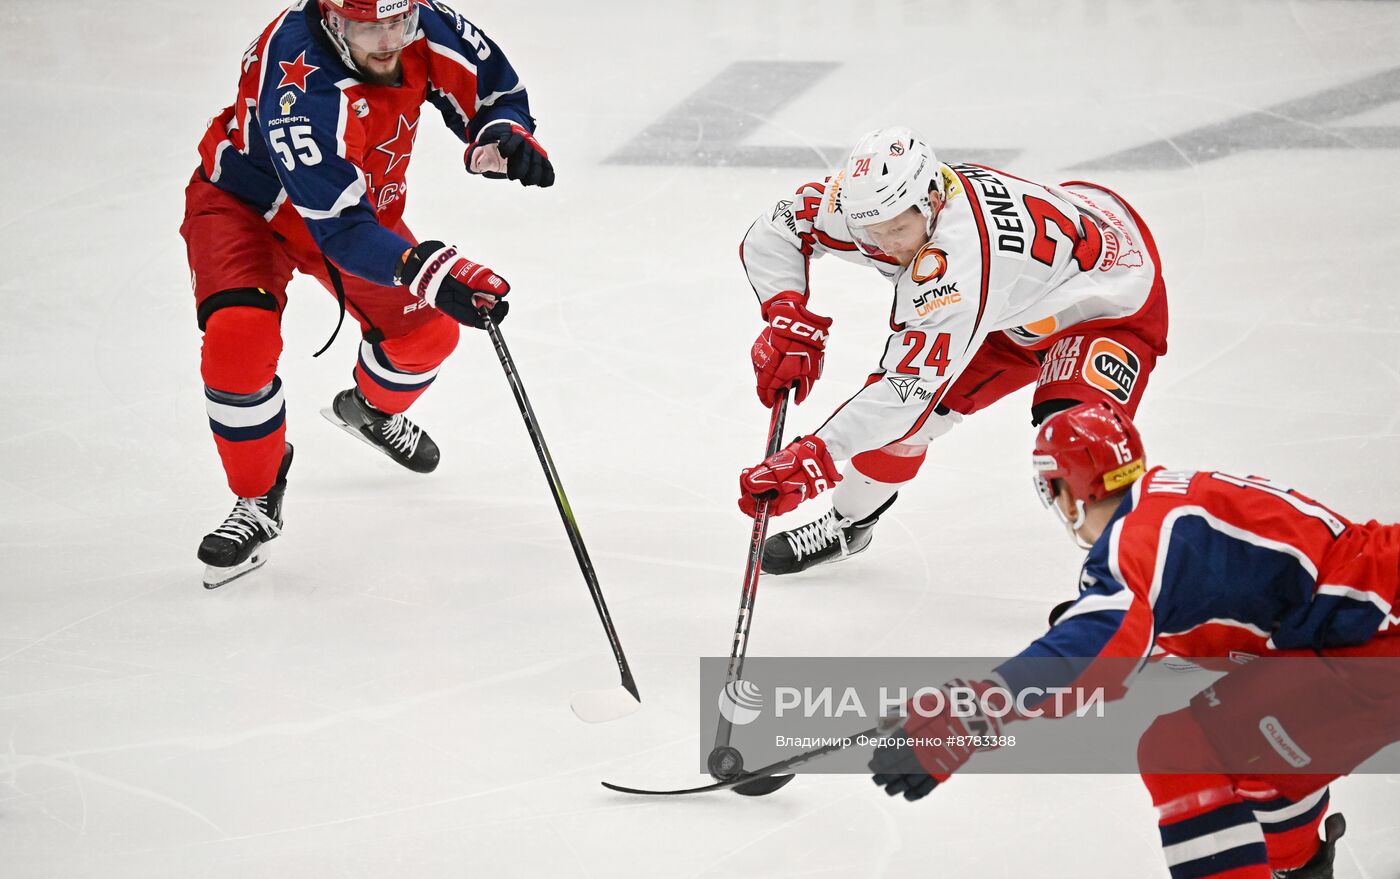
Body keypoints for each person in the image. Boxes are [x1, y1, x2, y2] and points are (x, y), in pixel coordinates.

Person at [866, 402, 1400, 879]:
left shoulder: (1134, 540)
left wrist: (972, 712)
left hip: (1372, 636)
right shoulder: (1164, 507)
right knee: (1253, 740)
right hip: (1362, 628)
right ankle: (1299, 866)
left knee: (1183, 750)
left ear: (1062, 489)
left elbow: (1098, 647)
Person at [181, 0, 554, 587]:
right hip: (247, 210)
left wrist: (500, 138)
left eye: (397, 25)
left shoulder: (418, 23)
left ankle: (371, 411)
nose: (386, 42)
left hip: (349, 213)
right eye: (366, 29)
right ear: (332, 23)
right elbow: (342, 233)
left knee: (430, 333)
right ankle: (257, 496)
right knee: (237, 345)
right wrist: (431, 270)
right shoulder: (299, 88)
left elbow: (495, 93)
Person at [736, 126, 1167, 574]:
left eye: (898, 230)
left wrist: (816, 454)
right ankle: (849, 524)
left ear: (932, 203)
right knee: (915, 422)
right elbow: (779, 227)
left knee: (1082, 443)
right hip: (1013, 301)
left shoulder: (957, 264)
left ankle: (1126, 576)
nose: (887, 245)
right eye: (872, 232)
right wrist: (785, 310)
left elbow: (905, 391)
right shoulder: (872, 202)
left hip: (1106, 299)